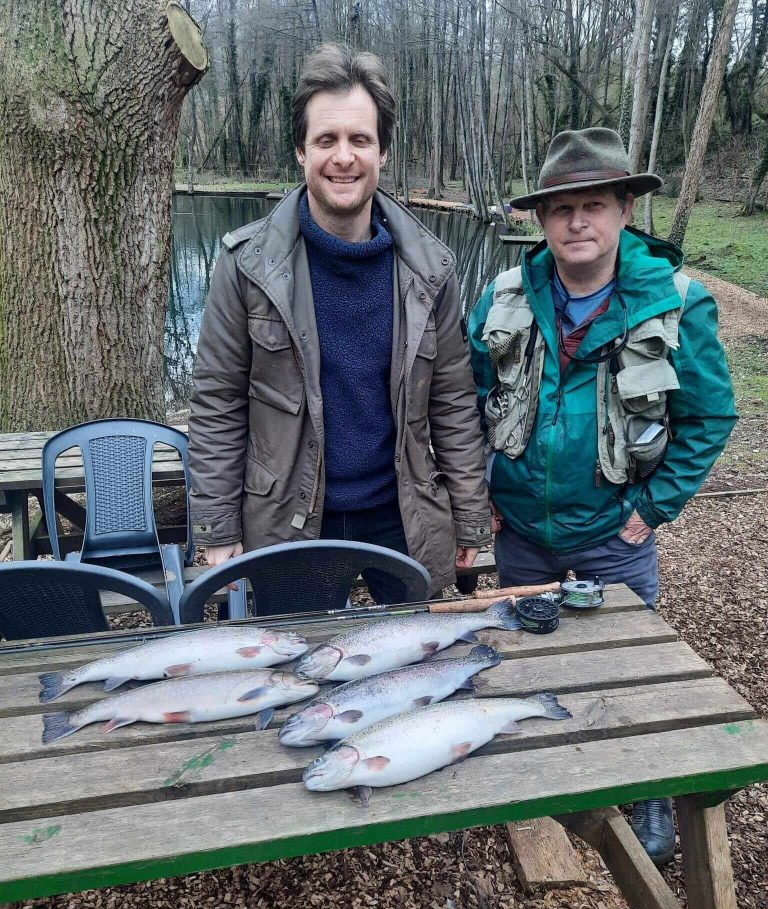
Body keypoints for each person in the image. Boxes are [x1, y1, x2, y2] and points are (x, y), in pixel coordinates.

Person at [468, 128, 737, 864]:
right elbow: (465, 398)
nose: (577, 222)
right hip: (520, 528)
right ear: (540, 219)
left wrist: (651, 511)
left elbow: (711, 416)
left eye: (594, 205)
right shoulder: (504, 295)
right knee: (537, 654)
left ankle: (647, 791)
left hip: (611, 537)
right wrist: (475, 492)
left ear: (624, 209)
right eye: (561, 209)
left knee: (629, 664)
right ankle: (565, 774)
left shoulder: (677, 302)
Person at [188, 44, 490, 603]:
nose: (343, 156)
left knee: (409, 664)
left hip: (402, 513)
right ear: (301, 152)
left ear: (383, 153)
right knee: (297, 670)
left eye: (360, 139)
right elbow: (217, 403)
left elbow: (452, 401)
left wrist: (470, 517)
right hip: (289, 514)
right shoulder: (247, 264)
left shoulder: (431, 268)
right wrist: (217, 527)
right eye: (326, 140)